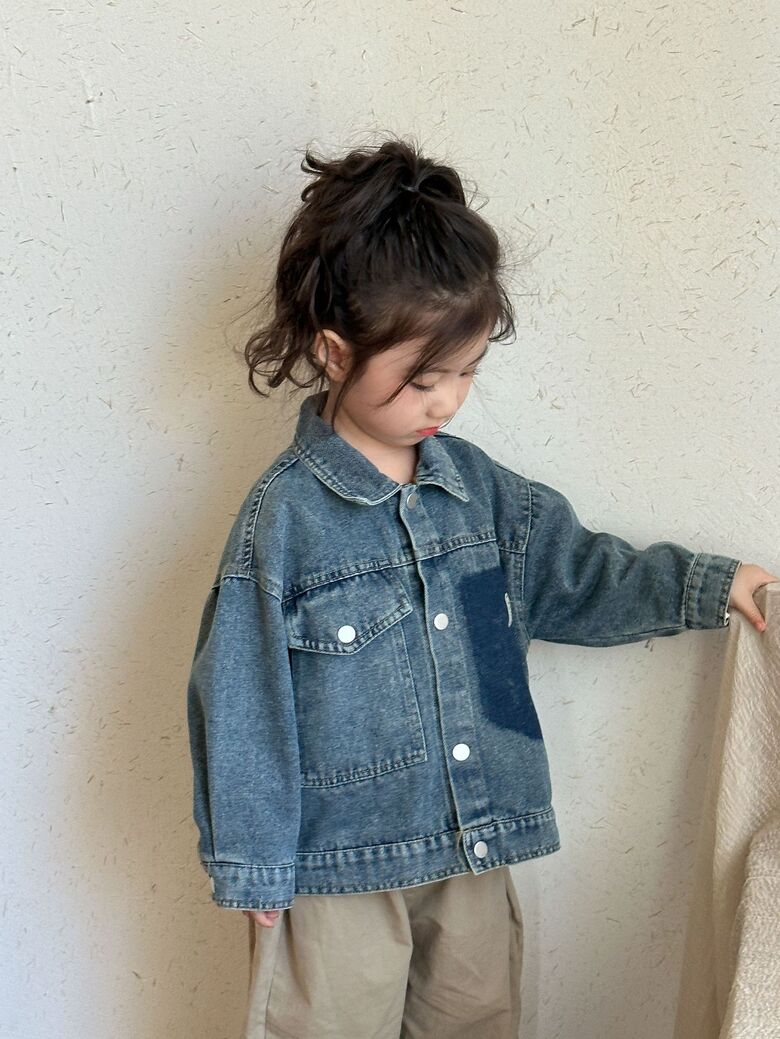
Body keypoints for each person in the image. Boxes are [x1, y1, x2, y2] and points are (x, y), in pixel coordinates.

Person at [185, 135, 778, 1039]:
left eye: (466, 373)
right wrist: (253, 860)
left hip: (475, 843)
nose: (449, 401)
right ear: (337, 354)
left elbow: (582, 573)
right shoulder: (285, 521)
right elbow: (242, 700)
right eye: (424, 378)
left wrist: (707, 583)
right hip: (336, 870)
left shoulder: (480, 492)